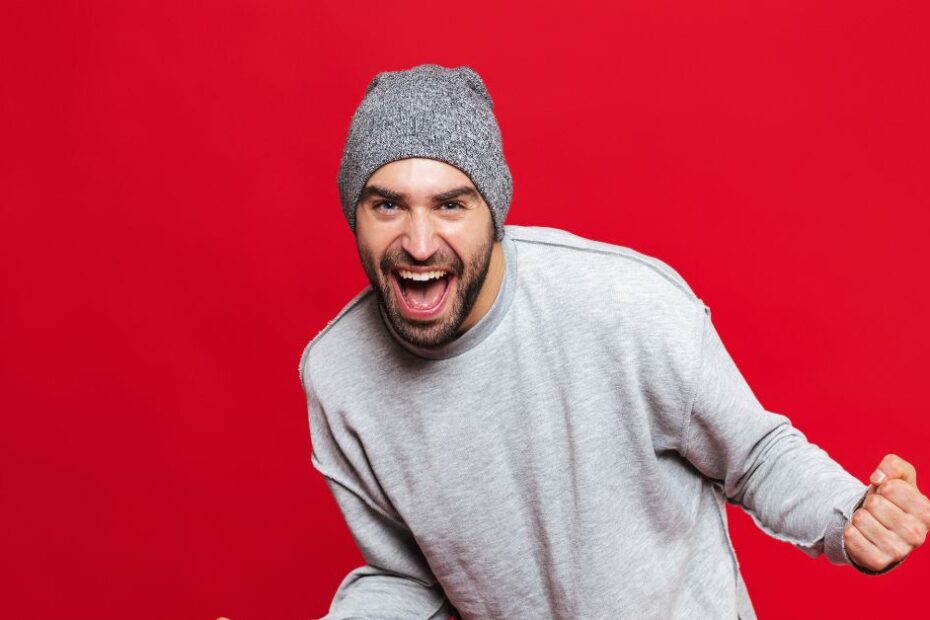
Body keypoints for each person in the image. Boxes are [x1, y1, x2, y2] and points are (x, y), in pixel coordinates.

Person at [298, 63, 929, 619]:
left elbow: (757, 456)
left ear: (494, 212)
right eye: (388, 206)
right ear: (354, 213)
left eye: (451, 206)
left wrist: (849, 516)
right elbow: (411, 580)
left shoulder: (623, 304)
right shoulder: (339, 375)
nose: (419, 242)